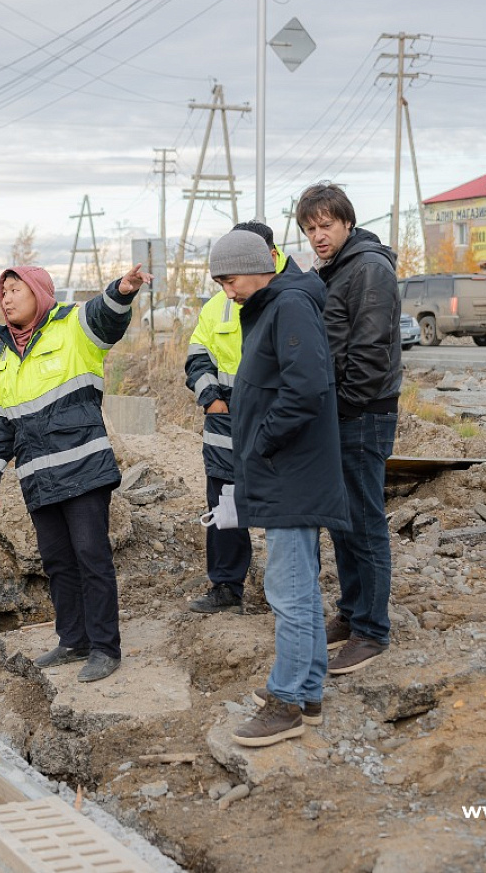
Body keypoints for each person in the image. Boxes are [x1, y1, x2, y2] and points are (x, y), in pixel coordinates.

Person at [201, 229, 348, 746]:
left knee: (287, 590)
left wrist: (262, 441)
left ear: (254, 267)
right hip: (288, 469)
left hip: (292, 470)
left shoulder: (288, 305)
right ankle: (306, 694)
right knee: (299, 586)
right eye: (220, 283)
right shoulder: (276, 304)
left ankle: (285, 702)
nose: (228, 292)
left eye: (230, 280)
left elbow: (305, 387)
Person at [0, 263, 152, 684]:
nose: (7, 298)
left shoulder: (73, 327)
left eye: (15, 289)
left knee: (91, 556)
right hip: (38, 476)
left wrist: (122, 290)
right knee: (57, 562)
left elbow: (105, 317)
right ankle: (73, 640)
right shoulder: (3, 356)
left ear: (39, 293)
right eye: (3, 292)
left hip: (83, 468)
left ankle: (105, 647)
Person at [298, 182, 401, 676]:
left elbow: (370, 353)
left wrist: (341, 408)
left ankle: (372, 631)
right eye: (309, 228)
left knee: (363, 522)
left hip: (362, 413)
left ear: (347, 222)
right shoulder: (334, 268)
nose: (318, 235)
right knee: (342, 521)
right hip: (341, 413)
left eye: (326, 225)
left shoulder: (368, 269)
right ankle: (353, 612)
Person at [184, 221, 286, 615]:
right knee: (225, 509)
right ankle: (227, 586)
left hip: (276, 428)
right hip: (225, 430)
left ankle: (289, 592)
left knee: (285, 510)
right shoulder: (218, 305)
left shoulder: (291, 298)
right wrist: (212, 400)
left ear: (268, 257)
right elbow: (197, 357)